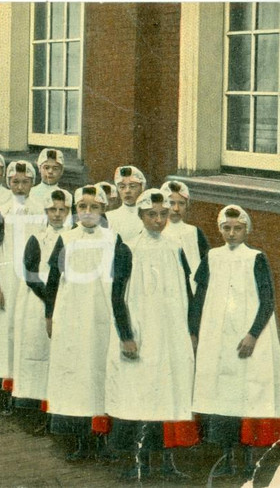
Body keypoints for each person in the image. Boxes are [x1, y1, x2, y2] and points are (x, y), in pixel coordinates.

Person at [105, 188, 196, 480]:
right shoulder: (128, 247)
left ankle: (167, 462)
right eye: (151, 215)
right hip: (141, 332)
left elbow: (188, 292)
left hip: (170, 333)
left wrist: (191, 331)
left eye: (163, 214)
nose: (158, 220)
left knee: (169, 392)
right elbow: (117, 295)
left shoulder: (175, 246)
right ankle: (137, 461)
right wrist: (126, 335)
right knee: (140, 394)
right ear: (141, 216)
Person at [191, 205, 280, 479]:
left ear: (246, 230)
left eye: (237, 228)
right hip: (217, 338)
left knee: (248, 391)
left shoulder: (255, 258)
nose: (232, 233)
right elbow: (199, 297)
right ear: (220, 229)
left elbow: (267, 300)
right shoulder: (211, 257)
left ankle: (248, 459)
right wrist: (194, 332)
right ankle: (228, 456)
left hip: (247, 338)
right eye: (226, 228)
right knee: (223, 394)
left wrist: (253, 334)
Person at [43, 185, 119, 462]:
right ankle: (78, 440)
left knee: (99, 372)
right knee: (75, 374)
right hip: (72, 313)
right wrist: (50, 314)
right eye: (82, 208)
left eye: (94, 207)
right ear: (76, 211)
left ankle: (102, 438)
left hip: (102, 315)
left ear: (103, 210)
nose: (88, 213)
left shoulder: (112, 239)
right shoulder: (66, 238)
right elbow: (53, 278)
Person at [0, 161, 43, 407]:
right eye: (15, 182)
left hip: (30, 282)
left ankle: (26, 389)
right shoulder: (0, 212)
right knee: (3, 334)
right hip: (6, 281)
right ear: (8, 182)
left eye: (25, 182)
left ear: (32, 183)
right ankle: (3, 392)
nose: (20, 186)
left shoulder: (42, 211)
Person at [12, 188, 72, 420]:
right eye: (52, 210)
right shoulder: (37, 237)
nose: (57, 215)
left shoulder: (72, 237)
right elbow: (29, 272)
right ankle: (33, 405)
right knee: (36, 349)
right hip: (39, 299)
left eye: (62, 210)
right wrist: (48, 295)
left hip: (64, 298)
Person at [160, 180, 209, 291]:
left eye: (181, 203)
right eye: (171, 203)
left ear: (187, 205)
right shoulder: (157, 233)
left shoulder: (195, 233)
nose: (176, 209)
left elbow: (204, 266)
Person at [106, 165, 146, 242]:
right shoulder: (109, 218)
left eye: (132, 186)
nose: (127, 191)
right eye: (122, 187)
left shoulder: (150, 216)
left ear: (142, 188)